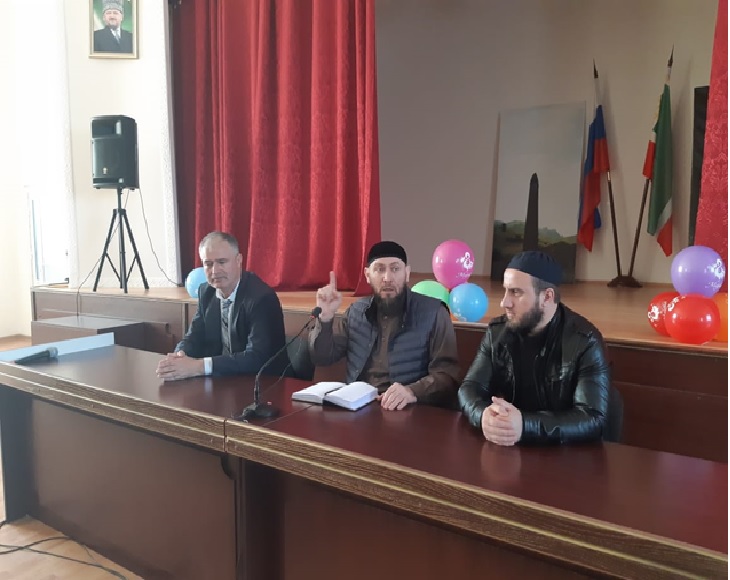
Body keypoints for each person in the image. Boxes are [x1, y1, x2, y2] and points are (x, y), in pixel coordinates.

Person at [459, 250, 610, 445]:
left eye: (516, 292)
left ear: (547, 297)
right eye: (506, 290)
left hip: (563, 453)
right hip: (510, 446)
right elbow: (470, 387)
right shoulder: (497, 333)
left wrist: (524, 425)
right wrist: (483, 416)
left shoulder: (585, 341)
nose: (505, 302)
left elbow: (592, 418)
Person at [309, 241, 460, 411]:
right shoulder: (355, 312)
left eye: (395, 269)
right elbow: (322, 357)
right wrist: (325, 317)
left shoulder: (434, 312)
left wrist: (412, 391)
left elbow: (447, 375)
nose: (387, 278)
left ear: (407, 273)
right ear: (367, 275)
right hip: (356, 407)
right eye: (380, 269)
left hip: (406, 409)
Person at [156, 232, 286, 381]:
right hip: (223, 380)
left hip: (265, 382)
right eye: (208, 264)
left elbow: (257, 357)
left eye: (222, 262)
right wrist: (179, 356)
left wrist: (199, 366)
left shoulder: (261, 298)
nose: (215, 271)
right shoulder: (206, 292)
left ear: (239, 260)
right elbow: (194, 336)